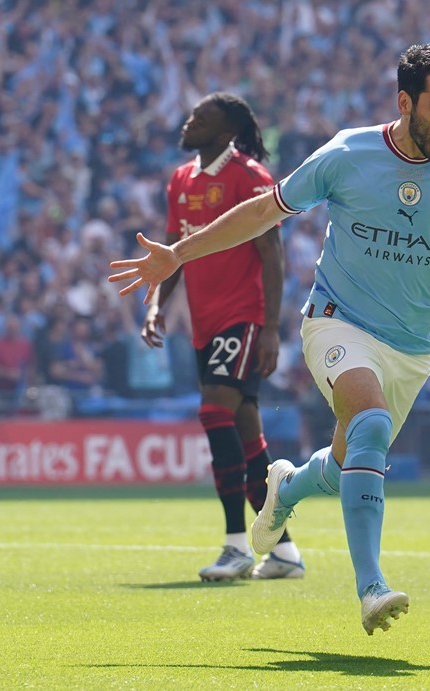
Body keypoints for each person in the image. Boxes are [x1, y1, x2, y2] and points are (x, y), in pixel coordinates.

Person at [109, 45, 430, 634]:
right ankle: (372, 586)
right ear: (405, 102)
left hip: (412, 346)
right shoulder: (347, 153)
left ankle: (289, 487)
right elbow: (264, 212)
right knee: (370, 425)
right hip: (336, 321)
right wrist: (179, 255)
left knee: (348, 462)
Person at [138, 92, 304, 582]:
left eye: (201, 118)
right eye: (192, 115)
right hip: (204, 321)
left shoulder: (250, 177)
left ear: (228, 131)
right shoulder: (181, 180)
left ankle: (235, 545)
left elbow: (271, 253)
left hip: (243, 315)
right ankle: (285, 551)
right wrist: (156, 304)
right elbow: (173, 252)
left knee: (214, 412)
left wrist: (269, 327)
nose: (189, 122)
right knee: (248, 435)